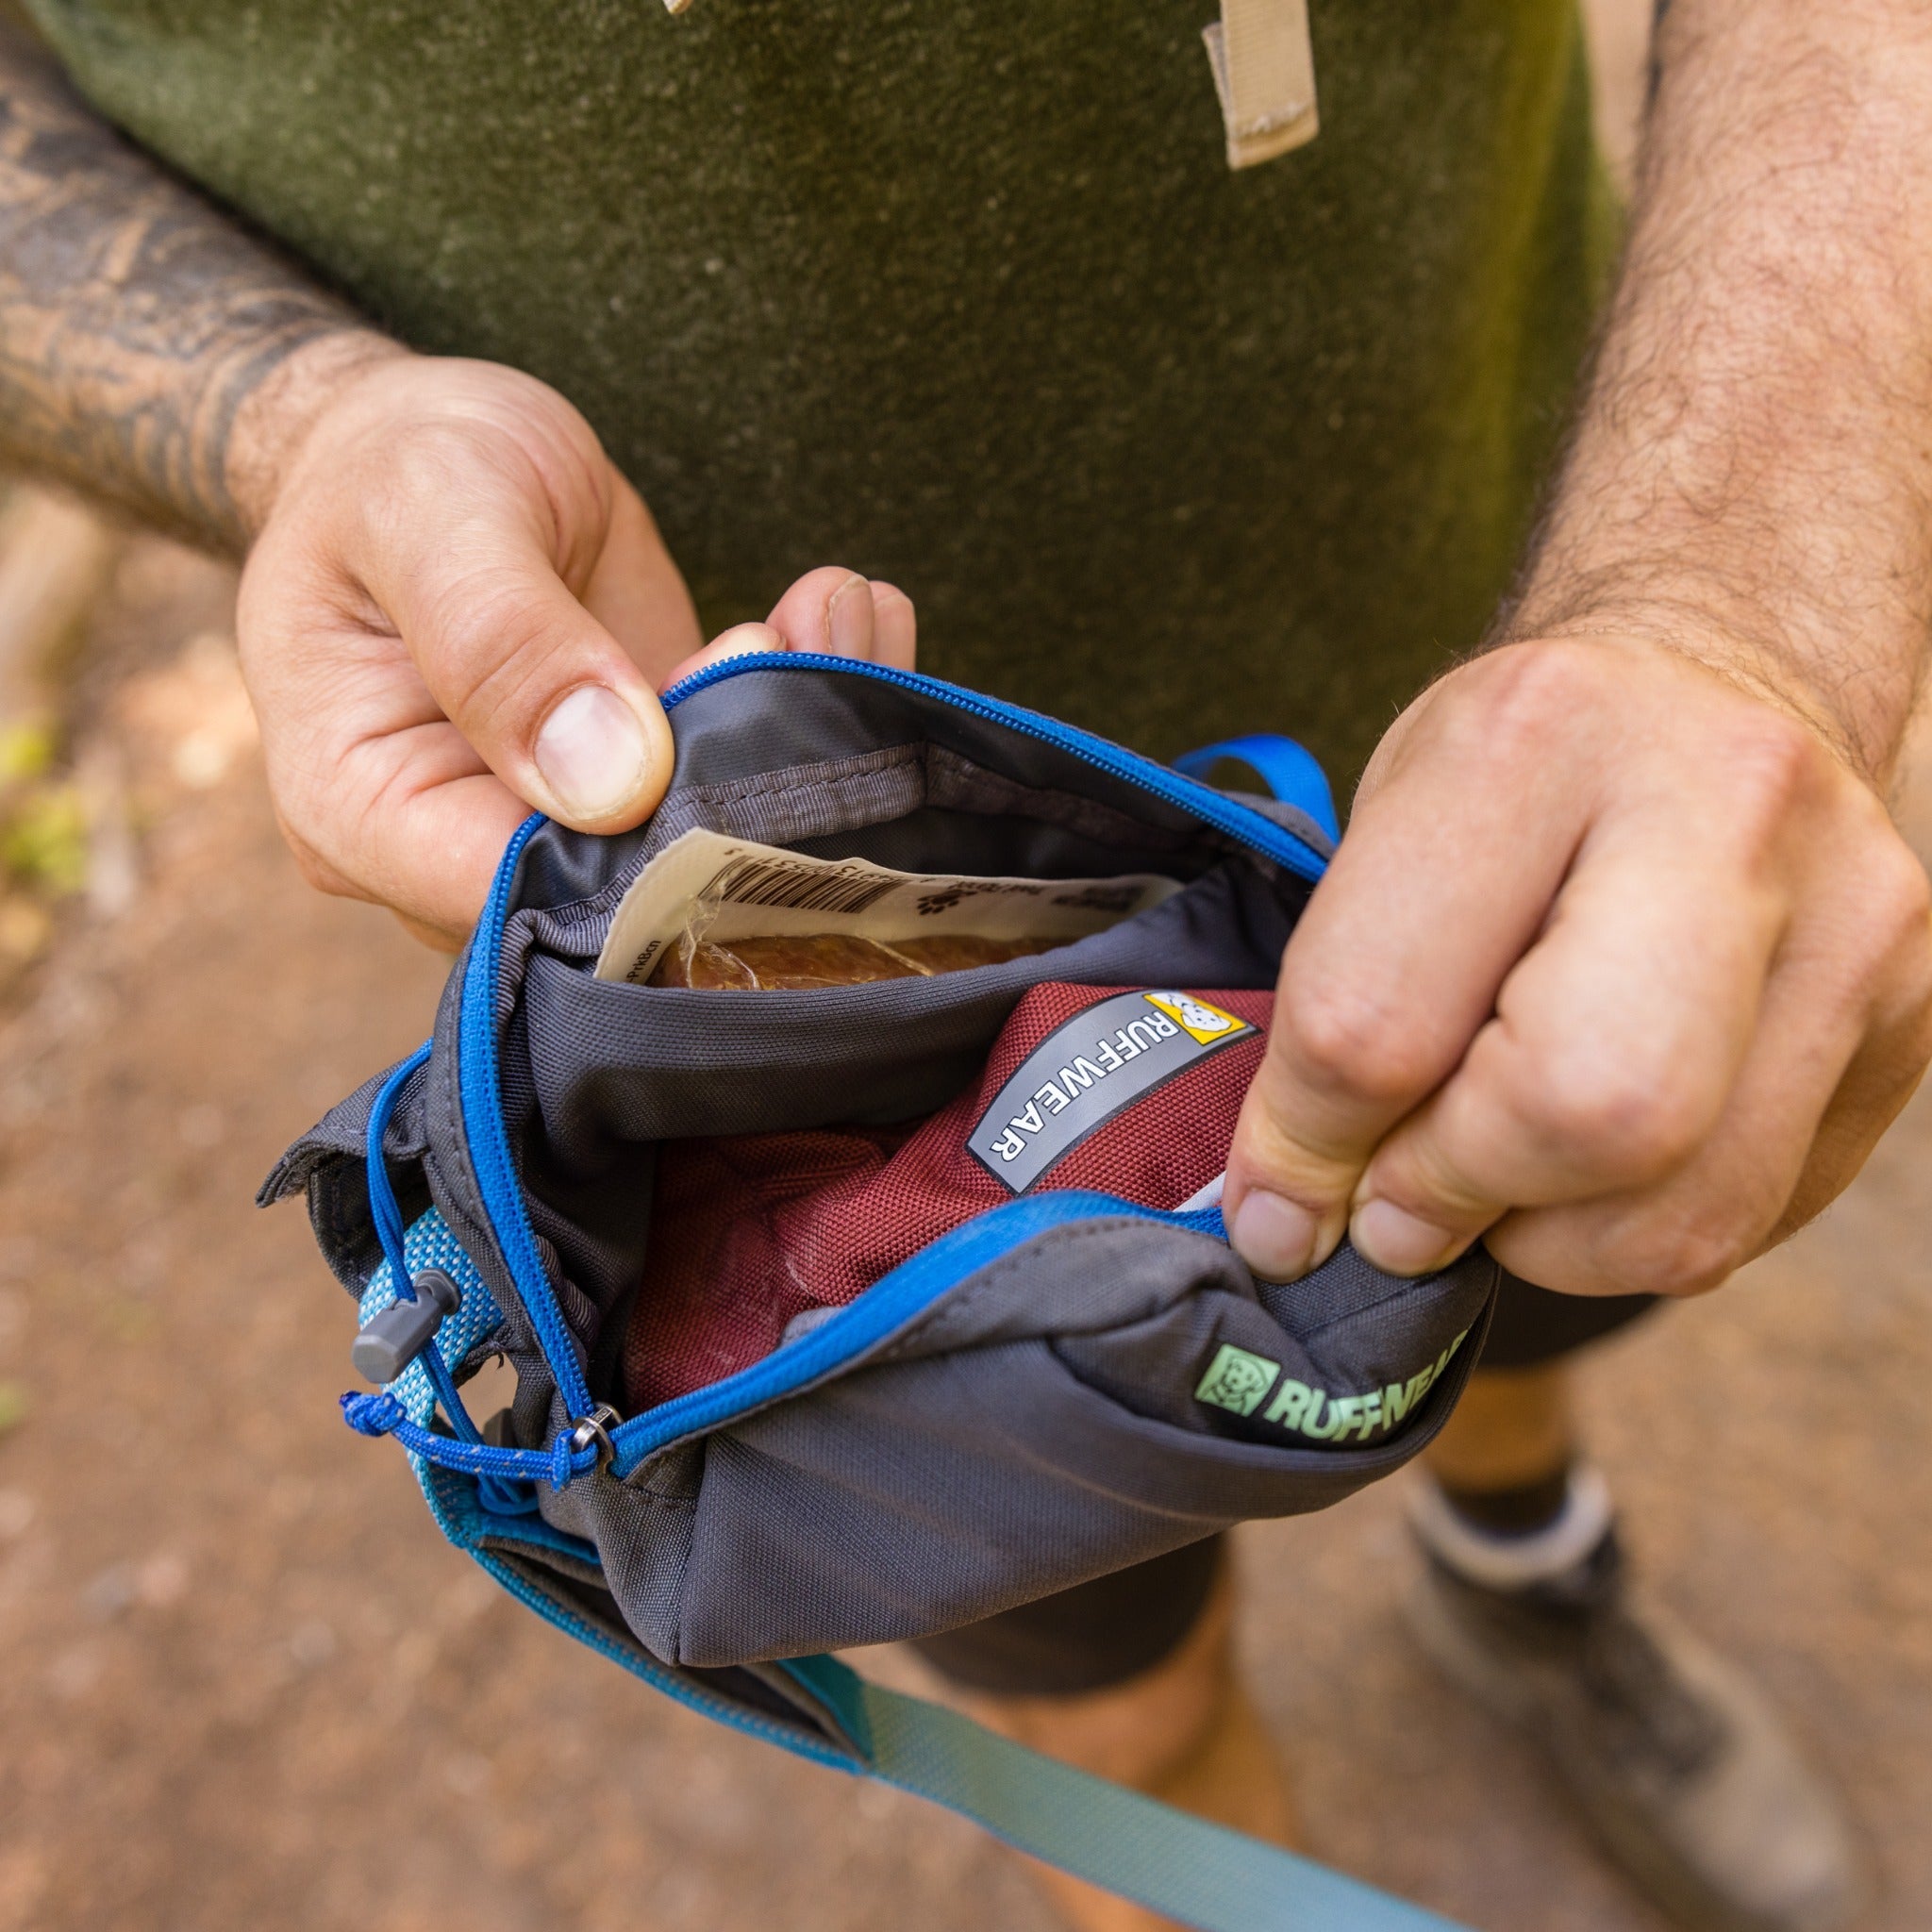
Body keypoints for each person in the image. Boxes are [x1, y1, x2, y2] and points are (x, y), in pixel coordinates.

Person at [0, 4, 1925, 1927]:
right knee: (1122, 1716)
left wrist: (1727, 590)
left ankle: (1526, 1566)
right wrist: (302, 421)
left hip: (1519, 597)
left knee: (1526, 1256)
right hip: (705, 847)